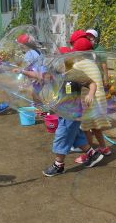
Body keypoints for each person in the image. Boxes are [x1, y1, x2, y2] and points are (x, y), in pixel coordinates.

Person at [43, 46, 104, 176]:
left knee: (62, 136)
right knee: (76, 137)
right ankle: (93, 154)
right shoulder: (59, 74)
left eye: (58, 58)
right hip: (64, 112)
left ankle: (58, 164)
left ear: (67, 60)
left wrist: (91, 94)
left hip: (72, 112)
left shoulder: (75, 73)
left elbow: (92, 83)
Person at [70, 31, 113, 160]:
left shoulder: (77, 65)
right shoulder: (92, 63)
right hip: (99, 98)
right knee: (96, 127)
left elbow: (72, 80)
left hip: (89, 100)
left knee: (85, 128)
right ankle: (104, 148)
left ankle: (89, 153)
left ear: (77, 52)